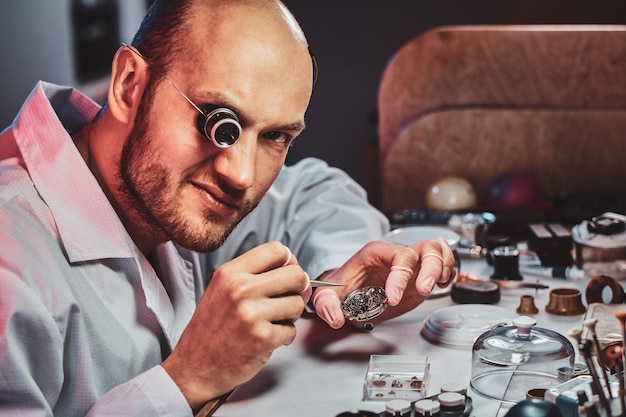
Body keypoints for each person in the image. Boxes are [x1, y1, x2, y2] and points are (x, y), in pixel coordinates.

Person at [0, 0, 456, 416]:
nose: (241, 174)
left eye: (275, 137)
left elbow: (313, 192)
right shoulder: (13, 270)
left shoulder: (171, 187)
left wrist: (337, 280)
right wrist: (189, 378)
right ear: (128, 85)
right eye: (218, 121)